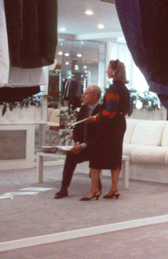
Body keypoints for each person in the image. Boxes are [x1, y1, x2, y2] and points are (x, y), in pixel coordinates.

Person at [82, 60, 131, 201]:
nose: (106, 71)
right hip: (120, 124)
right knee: (116, 156)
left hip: (110, 126)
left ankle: (94, 190)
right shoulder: (125, 89)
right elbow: (126, 110)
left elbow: (110, 111)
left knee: (95, 154)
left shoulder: (113, 88)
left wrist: (96, 117)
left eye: (109, 68)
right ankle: (114, 189)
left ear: (115, 71)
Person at [54, 85, 102, 199]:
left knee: (94, 154)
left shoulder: (102, 111)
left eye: (86, 93)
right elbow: (77, 128)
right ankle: (64, 189)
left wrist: (83, 145)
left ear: (95, 96)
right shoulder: (84, 108)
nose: (83, 95)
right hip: (83, 146)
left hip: (96, 147)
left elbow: (100, 135)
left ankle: (97, 186)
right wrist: (77, 143)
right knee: (71, 155)